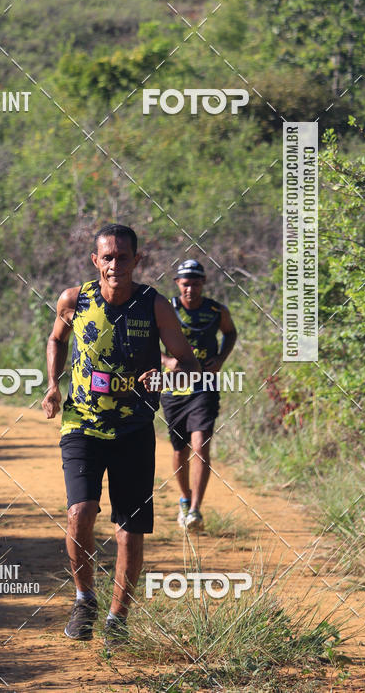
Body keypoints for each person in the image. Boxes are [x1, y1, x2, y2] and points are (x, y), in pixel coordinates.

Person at [42, 224, 201, 645]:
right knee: (81, 512)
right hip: (82, 425)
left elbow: (185, 360)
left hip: (134, 428)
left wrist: (165, 370)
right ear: (95, 261)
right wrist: (53, 385)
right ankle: (84, 599)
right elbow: (56, 339)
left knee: (129, 528)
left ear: (137, 259)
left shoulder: (155, 306)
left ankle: (117, 621)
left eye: (123, 257)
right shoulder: (74, 300)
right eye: (107, 257)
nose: (115, 264)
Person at [161, 259, 237, 531]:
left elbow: (230, 333)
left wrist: (221, 359)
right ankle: (185, 498)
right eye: (185, 283)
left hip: (204, 386)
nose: (190, 288)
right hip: (173, 388)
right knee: (179, 450)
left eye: (195, 283)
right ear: (177, 284)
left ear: (203, 283)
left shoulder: (217, 311)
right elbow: (144, 341)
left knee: (201, 444)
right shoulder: (166, 309)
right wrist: (166, 361)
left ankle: (195, 511)